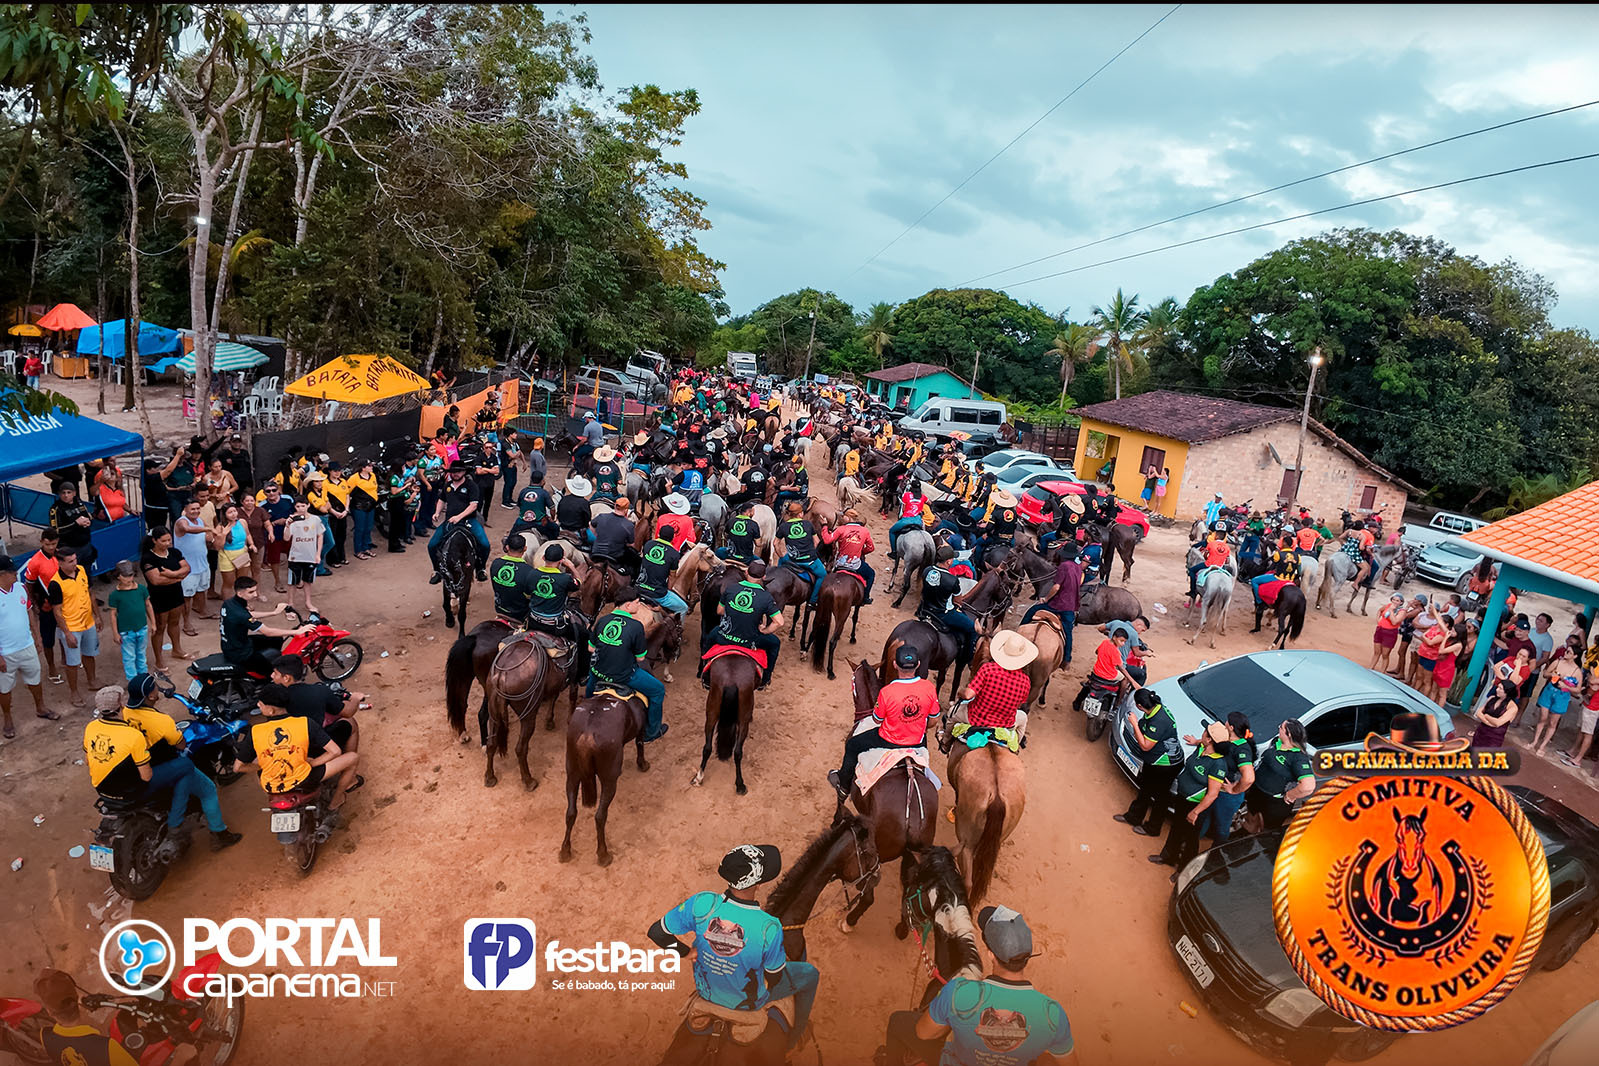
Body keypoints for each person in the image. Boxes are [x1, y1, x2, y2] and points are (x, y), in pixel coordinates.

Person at [648, 844, 819, 1053]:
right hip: (749, 1002)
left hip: (708, 992)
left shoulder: (702, 903)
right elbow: (774, 977)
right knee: (810, 975)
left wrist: (687, 952)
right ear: (757, 884)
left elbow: (656, 932)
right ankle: (794, 1040)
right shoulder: (769, 926)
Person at [884, 904, 1076, 1066]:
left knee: (897, 1021)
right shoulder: (1053, 1013)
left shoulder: (958, 992)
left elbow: (923, 1033)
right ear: (1027, 957)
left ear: (991, 955)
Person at [84, 684, 241, 850]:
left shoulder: (91, 727)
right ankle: (183, 824)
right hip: (132, 791)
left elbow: (88, 761)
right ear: (120, 706)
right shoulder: (133, 735)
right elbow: (146, 776)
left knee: (181, 770)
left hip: (103, 790)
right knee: (188, 768)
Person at [234, 683, 360, 829]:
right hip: (305, 779)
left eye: (260, 704)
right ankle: (336, 801)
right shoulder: (305, 723)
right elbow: (335, 751)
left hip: (271, 786)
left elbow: (238, 767)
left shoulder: (256, 731)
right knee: (353, 758)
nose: (258, 706)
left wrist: (264, 764)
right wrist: (312, 763)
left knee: (258, 762)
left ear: (271, 710)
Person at [31, 966, 205, 1066]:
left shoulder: (46, 1038)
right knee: (187, 1052)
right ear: (76, 997)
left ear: (49, 1011)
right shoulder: (107, 1048)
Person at [829, 643, 940, 797]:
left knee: (853, 745)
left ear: (895, 664)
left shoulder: (887, 692)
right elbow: (933, 721)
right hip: (917, 741)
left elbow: (876, 720)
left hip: (888, 740)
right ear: (918, 664)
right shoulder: (929, 687)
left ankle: (844, 787)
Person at [587, 587, 667, 741]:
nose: (639, 606)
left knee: (589, 695)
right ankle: (652, 732)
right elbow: (640, 658)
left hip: (598, 673)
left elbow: (591, 648)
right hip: (624, 676)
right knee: (658, 690)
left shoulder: (602, 620)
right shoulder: (636, 626)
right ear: (628, 605)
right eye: (637, 603)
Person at [1151, 721, 1229, 872]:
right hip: (1182, 797)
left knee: (1190, 838)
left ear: (1209, 739)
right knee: (1176, 828)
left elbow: (1212, 794)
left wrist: (1196, 812)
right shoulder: (1202, 748)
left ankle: (1184, 870)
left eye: (1205, 732)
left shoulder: (1218, 765)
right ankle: (1167, 856)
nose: (1203, 733)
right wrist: (1196, 741)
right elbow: (1201, 744)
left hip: (1196, 805)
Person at [700, 558, 783, 688]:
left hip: (724, 636)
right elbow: (779, 622)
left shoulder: (731, 588)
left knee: (708, 639)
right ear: (763, 577)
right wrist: (765, 630)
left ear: (746, 573)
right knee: (775, 643)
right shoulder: (766, 597)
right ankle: (765, 679)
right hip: (750, 641)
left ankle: (705, 675)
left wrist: (736, 610)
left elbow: (719, 611)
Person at [269, 654, 363, 753]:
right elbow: (348, 712)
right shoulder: (320, 690)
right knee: (350, 722)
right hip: (314, 747)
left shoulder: (271, 697)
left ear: (286, 678)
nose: (272, 675)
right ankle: (346, 758)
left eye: (275, 673)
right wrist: (355, 699)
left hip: (285, 748)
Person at [0, 554, 50, 738]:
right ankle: (7, 718)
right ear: (1, 574)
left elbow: (29, 612)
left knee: (35, 679)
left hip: (27, 645)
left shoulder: (21, 588)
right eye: (11, 571)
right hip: (6, 651)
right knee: (4, 688)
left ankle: (40, 707)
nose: (15, 573)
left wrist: (37, 637)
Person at [957, 630, 1036, 745]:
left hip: (976, 718)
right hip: (1005, 724)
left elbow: (969, 695)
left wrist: (960, 692)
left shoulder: (988, 669)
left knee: (951, 714)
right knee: (1023, 717)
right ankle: (1015, 746)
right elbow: (1019, 704)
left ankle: (945, 742)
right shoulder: (1026, 681)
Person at [219, 576, 309, 677]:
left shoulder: (229, 603)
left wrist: (273, 613)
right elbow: (267, 631)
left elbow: (248, 615)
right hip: (239, 652)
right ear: (240, 593)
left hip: (233, 644)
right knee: (273, 673)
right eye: (251, 592)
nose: (255, 594)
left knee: (277, 639)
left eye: (255, 590)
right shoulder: (241, 614)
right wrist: (296, 632)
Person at [47, 548, 100, 708]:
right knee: (72, 663)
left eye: (75, 559)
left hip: (88, 622)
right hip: (72, 627)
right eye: (70, 561)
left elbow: (90, 593)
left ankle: (92, 681)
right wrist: (67, 633)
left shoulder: (82, 570)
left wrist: (97, 616)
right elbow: (57, 611)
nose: (75, 563)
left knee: (90, 654)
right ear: (60, 563)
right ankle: (74, 692)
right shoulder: (55, 584)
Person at [1245, 718, 1316, 830]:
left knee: (1268, 830)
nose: (1278, 728)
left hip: (1274, 802)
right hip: (1257, 792)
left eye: (1281, 727)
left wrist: (1290, 795)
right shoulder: (1276, 742)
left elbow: (1308, 786)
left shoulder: (1298, 758)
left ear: (1289, 734)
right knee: (1251, 819)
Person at [1197, 711, 1256, 846]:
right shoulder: (1226, 738)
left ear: (1231, 727)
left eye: (1227, 722)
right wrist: (1197, 741)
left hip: (1226, 796)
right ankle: (1191, 845)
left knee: (1222, 826)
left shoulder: (1242, 750)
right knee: (1203, 818)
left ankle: (1216, 852)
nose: (1225, 723)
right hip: (1213, 788)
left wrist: (1234, 790)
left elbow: (1249, 778)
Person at [427, 465, 491, 583]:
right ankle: (437, 570)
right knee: (432, 545)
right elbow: (442, 500)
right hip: (450, 521)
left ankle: (480, 569)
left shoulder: (472, 486)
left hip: (469, 521)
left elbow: (473, 506)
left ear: (464, 472)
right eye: (453, 472)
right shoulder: (447, 485)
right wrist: (437, 512)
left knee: (485, 544)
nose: (455, 474)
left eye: (458, 471)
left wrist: (459, 517)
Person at [1020, 544, 1082, 663]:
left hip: (1058, 604)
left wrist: (1046, 599)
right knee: (1068, 632)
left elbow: (1056, 587)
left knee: (1032, 611)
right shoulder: (1078, 567)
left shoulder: (1063, 566)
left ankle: (1018, 633)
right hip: (1071, 605)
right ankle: (1067, 659)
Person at [918, 547, 976, 664]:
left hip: (925, 608)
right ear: (948, 562)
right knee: (972, 629)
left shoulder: (927, 570)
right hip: (943, 613)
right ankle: (967, 657)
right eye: (952, 559)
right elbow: (958, 601)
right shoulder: (952, 580)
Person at [106, 561, 154, 682]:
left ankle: (144, 679)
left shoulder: (141, 589)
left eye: (131, 575)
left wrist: (153, 623)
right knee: (129, 657)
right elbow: (113, 614)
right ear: (118, 576)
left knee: (141, 655)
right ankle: (133, 682)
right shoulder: (115, 595)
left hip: (142, 627)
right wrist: (115, 633)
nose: (129, 578)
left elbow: (148, 605)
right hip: (126, 631)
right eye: (126, 576)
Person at [1531, 645, 1583, 757]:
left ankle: (1542, 745)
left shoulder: (1577, 671)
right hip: (1550, 690)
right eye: (1566, 651)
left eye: (1569, 652)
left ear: (1575, 656)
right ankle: (1535, 741)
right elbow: (1545, 673)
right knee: (1543, 717)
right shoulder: (1558, 662)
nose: (1566, 653)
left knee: (1553, 722)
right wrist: (1552, 674)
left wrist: (1566, 686)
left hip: (1562, 695)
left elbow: (1578, 689)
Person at [819, 507, 876, 604]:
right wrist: (860, 552)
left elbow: (827, 540)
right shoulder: (865, 531)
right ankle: (865, 598)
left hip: (840, 563)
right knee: (871, 574)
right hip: (855, 564)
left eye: (844, 516)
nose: (842, 518)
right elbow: (871, 548)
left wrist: (824, 526)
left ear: (849, 517)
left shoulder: (841, 529)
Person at [526, 543, 581, 640]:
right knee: (583, 634)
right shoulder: (565, 579)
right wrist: (571, 567)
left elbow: (527, 592)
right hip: (554, 626)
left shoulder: (532, 573)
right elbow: (579, 583)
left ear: (543, 558)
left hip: (533, 621)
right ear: (561, 561)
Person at [284, 499, 325, 617]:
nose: (301, 509)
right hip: (295, 556)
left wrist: (318, 554)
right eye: (298, 506)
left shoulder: (315, 519)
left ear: (308, 505)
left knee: (308, 581)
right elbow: (286, 538)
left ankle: (308, 603)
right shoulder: (292, 520)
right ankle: (290, 604)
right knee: (292, 582)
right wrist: (288, 525)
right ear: (295, 507)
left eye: (303, 505)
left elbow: (320, 536)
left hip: (310, 556)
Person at [48, 480, 97, 572]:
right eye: (63, 493)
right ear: (59, 494)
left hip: (85, 545)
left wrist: (88, 521)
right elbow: (56, 530)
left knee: (87, 572)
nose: (66, 495)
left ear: (74, 493)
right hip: (70, 548)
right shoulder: (56, 509)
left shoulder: (79, 502)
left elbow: (87, 515)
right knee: (73, 573)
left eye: (69, 492)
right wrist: (75, 524)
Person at [637, 532, 687, 616]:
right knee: (683, 608)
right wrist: (668, 590)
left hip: (639, 587)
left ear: (659, 535)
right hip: (657, 594)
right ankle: (677, 624)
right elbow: (672, 576)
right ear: (673, 538)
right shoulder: (674, 554)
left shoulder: (648, 544)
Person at [589, 496, 637, 569]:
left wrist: (596, 535)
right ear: (626, 510)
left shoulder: (601, 516)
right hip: (614, 557)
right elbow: (631, 545)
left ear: (615, 506)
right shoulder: (629, 525)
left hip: (595, 553)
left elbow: (591, 525)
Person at [1471, 678, 1519, 750]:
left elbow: (1498, 723)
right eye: (1498, 687)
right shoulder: (1492, 698)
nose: (1497, 690)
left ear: (1507, 692)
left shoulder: (1512, 707)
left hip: (1494, 738)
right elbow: (1478, 713)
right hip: (1480, 733)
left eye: (1500, 688)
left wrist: (1486, 716)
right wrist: (1488, 722)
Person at [511, 471, 558, 540]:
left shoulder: (523, 491)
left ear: (531, 480)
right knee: (555, 528)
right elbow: (552, 509)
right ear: (542, 481)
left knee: (511, 535)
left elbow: (519, 505)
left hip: (522, 522)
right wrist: (552, 518)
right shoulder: (544, 493)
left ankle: (506, 543)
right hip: (539, 523)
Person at [888, 479, 928, 559]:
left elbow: (903, 509)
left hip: (906, 520)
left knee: (891, 531)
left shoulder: (906, 495)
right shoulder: (923, 497)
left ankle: (894, 552)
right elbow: (930, 502)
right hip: (918, 521)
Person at [718, 501, 762, 565]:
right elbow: (758, 544)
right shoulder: (754, 524)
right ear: (749, 512)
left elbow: (726, 536)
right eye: (753, 512)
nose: (754, 514)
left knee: (719, 551)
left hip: (730, 555)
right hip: (746, 559)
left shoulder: (731, 521)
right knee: (761, 562)